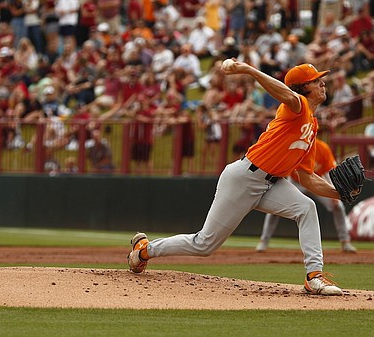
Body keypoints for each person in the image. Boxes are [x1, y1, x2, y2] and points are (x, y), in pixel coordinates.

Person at [127, 62, 346, 296]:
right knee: (204, 245)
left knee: (306, 207)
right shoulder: (297, 106)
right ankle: (145, 249)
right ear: (303, 88)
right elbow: (285, 94)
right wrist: (250, 71)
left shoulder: (312, 125)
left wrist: (339, 193)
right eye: (315, 80)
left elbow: (307, 178)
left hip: (273, 184)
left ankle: (314, 276)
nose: (322, 83)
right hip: (244, 178)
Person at [256, 139, 357, 253]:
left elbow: (329, 172)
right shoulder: (297, 145)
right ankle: (264, 241)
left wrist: (334, 193)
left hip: (316, 182)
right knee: (273, 208)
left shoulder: (322, 148)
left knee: (338, 206)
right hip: (295, 182)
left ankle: (345, 242)